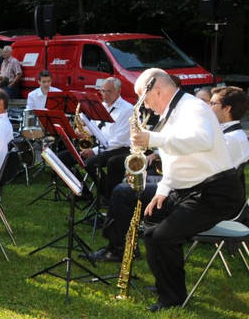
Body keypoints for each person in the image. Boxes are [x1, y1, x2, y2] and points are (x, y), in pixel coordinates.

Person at [93, 85, 249, 266]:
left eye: (212, 103)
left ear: (227, 109)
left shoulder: (234, 139)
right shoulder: (223, 133)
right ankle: (126, 246)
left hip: (201, 198)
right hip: (191, 190)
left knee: (124, 192)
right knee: (128, 190)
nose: (208, 107)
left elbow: (203, 169)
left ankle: (118, 249)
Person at [130, 69, 242, 311]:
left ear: (157, 91)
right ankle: (166, 284)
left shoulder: (193, 108)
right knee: (151, 220)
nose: (146, 106)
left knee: (163, 236)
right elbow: (174, 160)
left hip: (216, 194)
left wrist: (154, 139)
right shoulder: (172, 112)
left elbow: (202, 140)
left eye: (145, 99)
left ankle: (172, 298)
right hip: (189, 190)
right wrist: (162, 190)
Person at [78, 77, 134, 199]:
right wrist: (82, 131)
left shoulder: (127, 109)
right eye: (102, 91)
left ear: (118, 92)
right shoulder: (102, 105)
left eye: (108, 91)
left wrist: (94, 151)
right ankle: (83, 193)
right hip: (103, 145)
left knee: (91, 162)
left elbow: (120, 140)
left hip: (120, 147)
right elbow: (95, 127)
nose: (104, 94)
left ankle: (107, 195)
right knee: (68, 156)